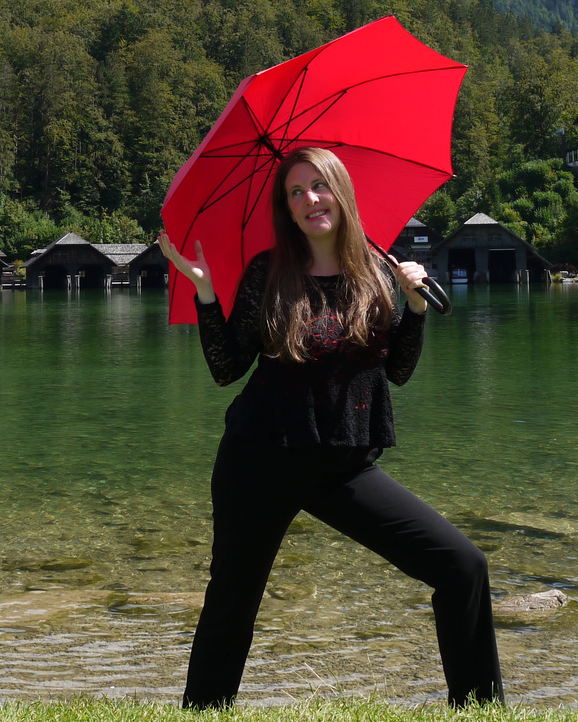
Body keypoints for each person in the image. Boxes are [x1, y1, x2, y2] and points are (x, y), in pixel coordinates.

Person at [158, 146, 503, 710]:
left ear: (340, 192)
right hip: (260, 460)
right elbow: (226, 369)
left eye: (319, 186)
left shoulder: (377, 274)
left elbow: (398, 371)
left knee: (462, 566)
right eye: (296, 192)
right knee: (232, 603)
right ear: (287, 209)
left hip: (343, 465)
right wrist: (203, 289)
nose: (309, 199)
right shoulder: (267, 274)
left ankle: (480, 707)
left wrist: (414, 306)